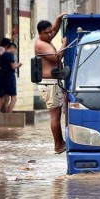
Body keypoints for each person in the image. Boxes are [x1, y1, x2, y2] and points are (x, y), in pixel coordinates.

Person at [35, 12, 68, 154]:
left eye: (50, 32)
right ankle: (58, 145)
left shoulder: (47, 39)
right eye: (46, 33)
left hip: (53, 83)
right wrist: (65, 43)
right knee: (55, 115)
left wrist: (59, 18)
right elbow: (57, 58)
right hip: (49, 83)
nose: (49, 35)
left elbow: (54, 29)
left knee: (57, 114)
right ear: (40, 33)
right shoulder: (41, 44)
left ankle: (61, 142)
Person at [0, 42, 23, 113]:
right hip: (10, 77)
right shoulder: (10, 55)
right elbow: (12, 66)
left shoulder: (3, 55)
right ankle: (9, 114)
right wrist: (18, 65)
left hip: (3, 77)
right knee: (13, 98)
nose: (15, 51)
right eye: (15, 49)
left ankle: (3, 113)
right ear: (12, 48)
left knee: (6, 98)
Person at [0, 37, 10, 113]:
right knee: (0, 93)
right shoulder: (1, 49)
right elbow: (1, 53)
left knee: (3, 93)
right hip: (0, 72)